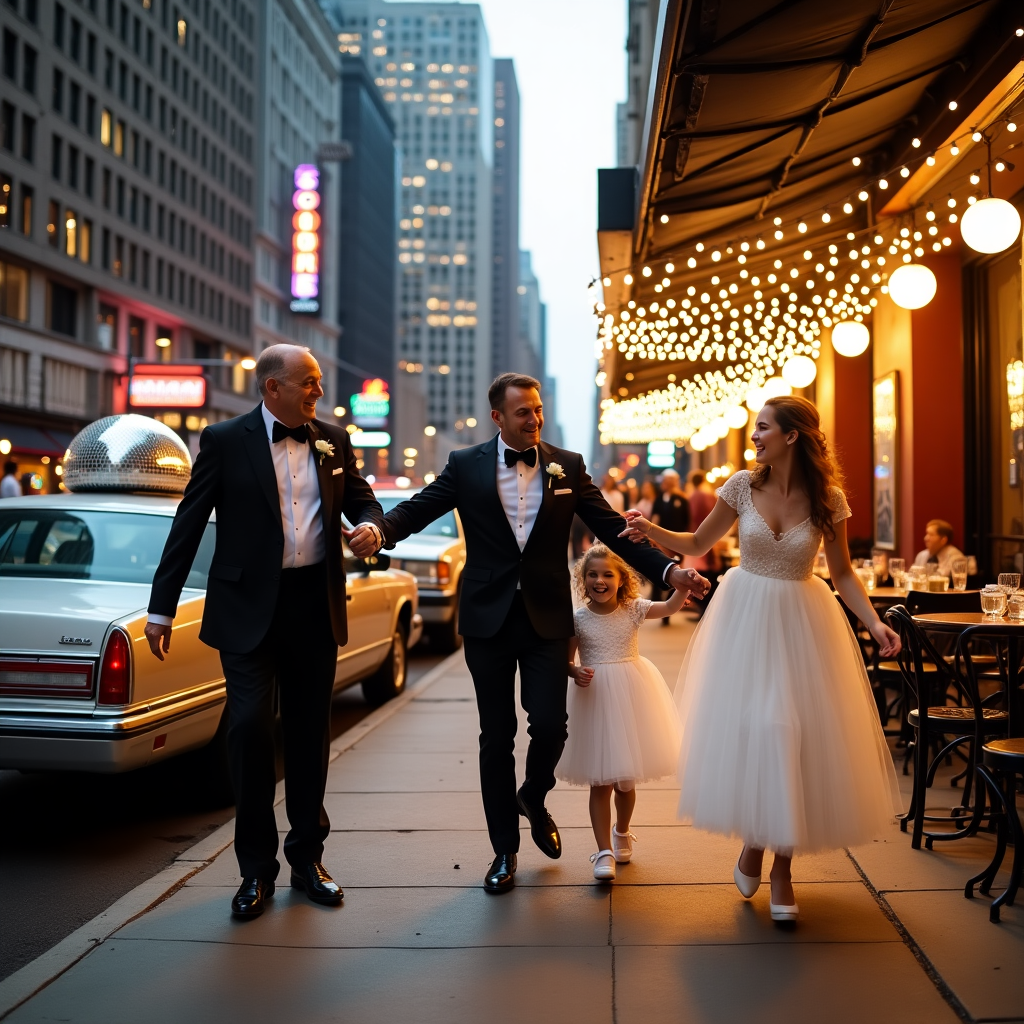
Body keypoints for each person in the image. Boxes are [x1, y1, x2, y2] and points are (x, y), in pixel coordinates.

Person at [377, 372, 709, 894]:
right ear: (497, 417)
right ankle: (504, 851)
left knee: (551, 725)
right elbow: (419, 508)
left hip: (547, 619)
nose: (534, 419)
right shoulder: (465, 464)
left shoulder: (566, 466)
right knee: (496, 735)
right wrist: (379, 529)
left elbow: (612, 529)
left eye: (537, 409)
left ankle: (533, 794)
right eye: (523, 412)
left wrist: (669, 571)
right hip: (487, 619)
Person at [621, 396, 901, 923]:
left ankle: (782, 870)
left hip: (803, 623)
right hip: (745, 620)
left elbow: (842, 573)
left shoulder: (829, 499)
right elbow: (698, 539)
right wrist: (649, 531)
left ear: (792, 436)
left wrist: (874, 622)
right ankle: (754, 840)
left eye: (763, 427)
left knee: (792, 734)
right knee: (758, 729)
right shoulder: (741, 487)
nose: (754, 435)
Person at [145, 343, 385, 919]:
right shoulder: (225, 440)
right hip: (246, 609)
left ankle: (307, 860)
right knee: (250, 727)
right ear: (273, 387)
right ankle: (255, 869)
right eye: (309, 382)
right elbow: (189, 521)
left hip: (314, 607)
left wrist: (372, 527)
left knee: (308, 735)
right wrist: (161, 608)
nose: (319, 391)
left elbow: (363, 500)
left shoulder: (334, 440)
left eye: (319, 381)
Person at [557, 545, 684, 881]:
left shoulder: (633, 610)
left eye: (607, 574)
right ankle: (603, 851)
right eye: (592, 575)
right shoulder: (578, 619)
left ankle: (622, 831)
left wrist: (683, 585)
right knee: (601, 782)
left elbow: (670, 607)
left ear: (621, 579)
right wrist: (574, 671)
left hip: (631, 696)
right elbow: (566, 660)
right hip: (596, 700)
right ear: (583, 580)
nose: (599, 580)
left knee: (625, 782)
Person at [650, 469, 690, 623]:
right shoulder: (659, 499)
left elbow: (687, 523)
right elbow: (654, 519)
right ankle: (655, 605)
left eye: (667, 480)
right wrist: (653, 539)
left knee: (676, 573)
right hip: (661, 543)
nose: (664, 483)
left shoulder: (682, 499)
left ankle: (668, 611)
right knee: (658, 571)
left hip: (677, 544)